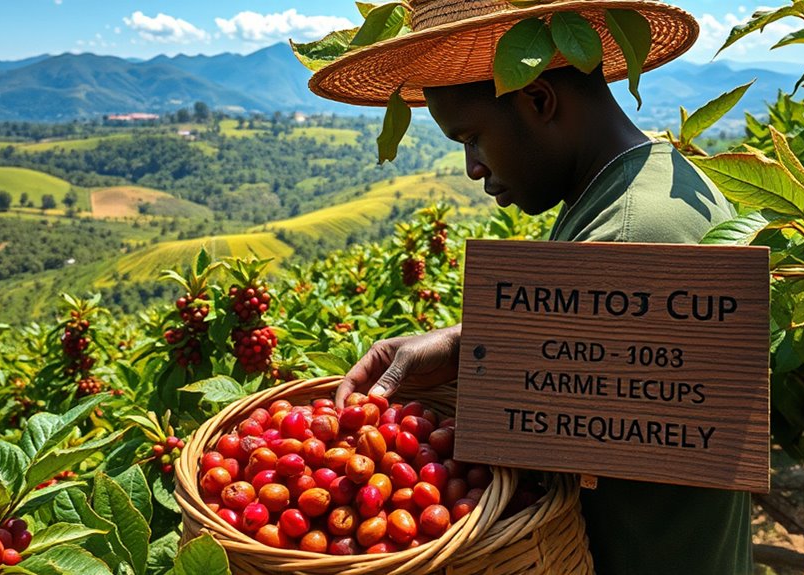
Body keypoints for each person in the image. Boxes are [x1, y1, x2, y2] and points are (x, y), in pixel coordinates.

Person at [304, 1, 752, 573]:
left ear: (538, 99)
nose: (472, 166)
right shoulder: (648, 187)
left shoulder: (628, 235)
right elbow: (613, 347)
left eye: (471, 137)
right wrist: (471, 343)